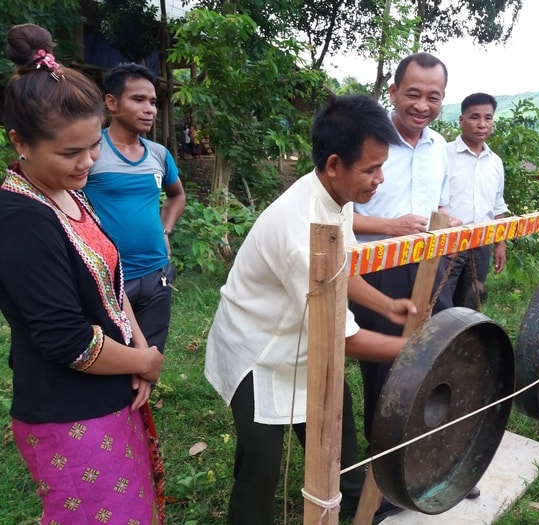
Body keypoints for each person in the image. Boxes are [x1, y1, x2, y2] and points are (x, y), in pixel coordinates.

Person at [204, 95, 417, 524]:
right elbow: (342, 337)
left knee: (339, 434)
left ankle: (356, 508)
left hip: (307, 343)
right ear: (335, 163)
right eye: (371, 169)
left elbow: (340, 268)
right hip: (259, 353)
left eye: (382, 167)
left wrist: (386, 304)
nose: (380, 180)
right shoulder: (299, 230)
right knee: (261, 465)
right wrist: (415, 349)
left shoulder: (337, 196)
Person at [0, 23, 165, 523]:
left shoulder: (68, 192)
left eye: (93, 146)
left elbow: (111, 283)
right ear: (19, 142)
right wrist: (144, 361)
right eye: (69, 153)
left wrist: (140, 351)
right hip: (68, 411)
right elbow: (67, 340)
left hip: (109, 392)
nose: (87, 162)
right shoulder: (20, 218)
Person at [349, 51, 481, 499]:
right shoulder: (365, 140)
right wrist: (390, 227)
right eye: (413, 94)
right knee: (386, 373)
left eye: (433, 96)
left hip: (431, 266)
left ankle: (437, 463)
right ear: (393, 91)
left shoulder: (438, 146)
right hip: (375, 271)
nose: (422, 105)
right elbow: (334, 216)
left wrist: (448, 220)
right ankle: (384, 481)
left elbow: (438, 205)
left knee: (438, 359)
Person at [84, 63, 186, 361]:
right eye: (138, 99)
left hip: (157, 273)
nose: (149, 109)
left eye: (153, 102)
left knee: (151, 354)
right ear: (112, 102)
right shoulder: (91, 151)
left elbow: (177, 196)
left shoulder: (158, 154)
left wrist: (165, 230)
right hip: (109, 277)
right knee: (110, 354)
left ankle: (143, 393)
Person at [444, 92, 508, 309]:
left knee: (472, 299)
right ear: (461, 120)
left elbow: (497, 205)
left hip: (482, 242)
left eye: (488, 118)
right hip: (449, 242)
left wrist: (500, 243)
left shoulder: (495, 162)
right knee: (441, 299)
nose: (482, 124)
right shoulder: (444, 155)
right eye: (475, 117)